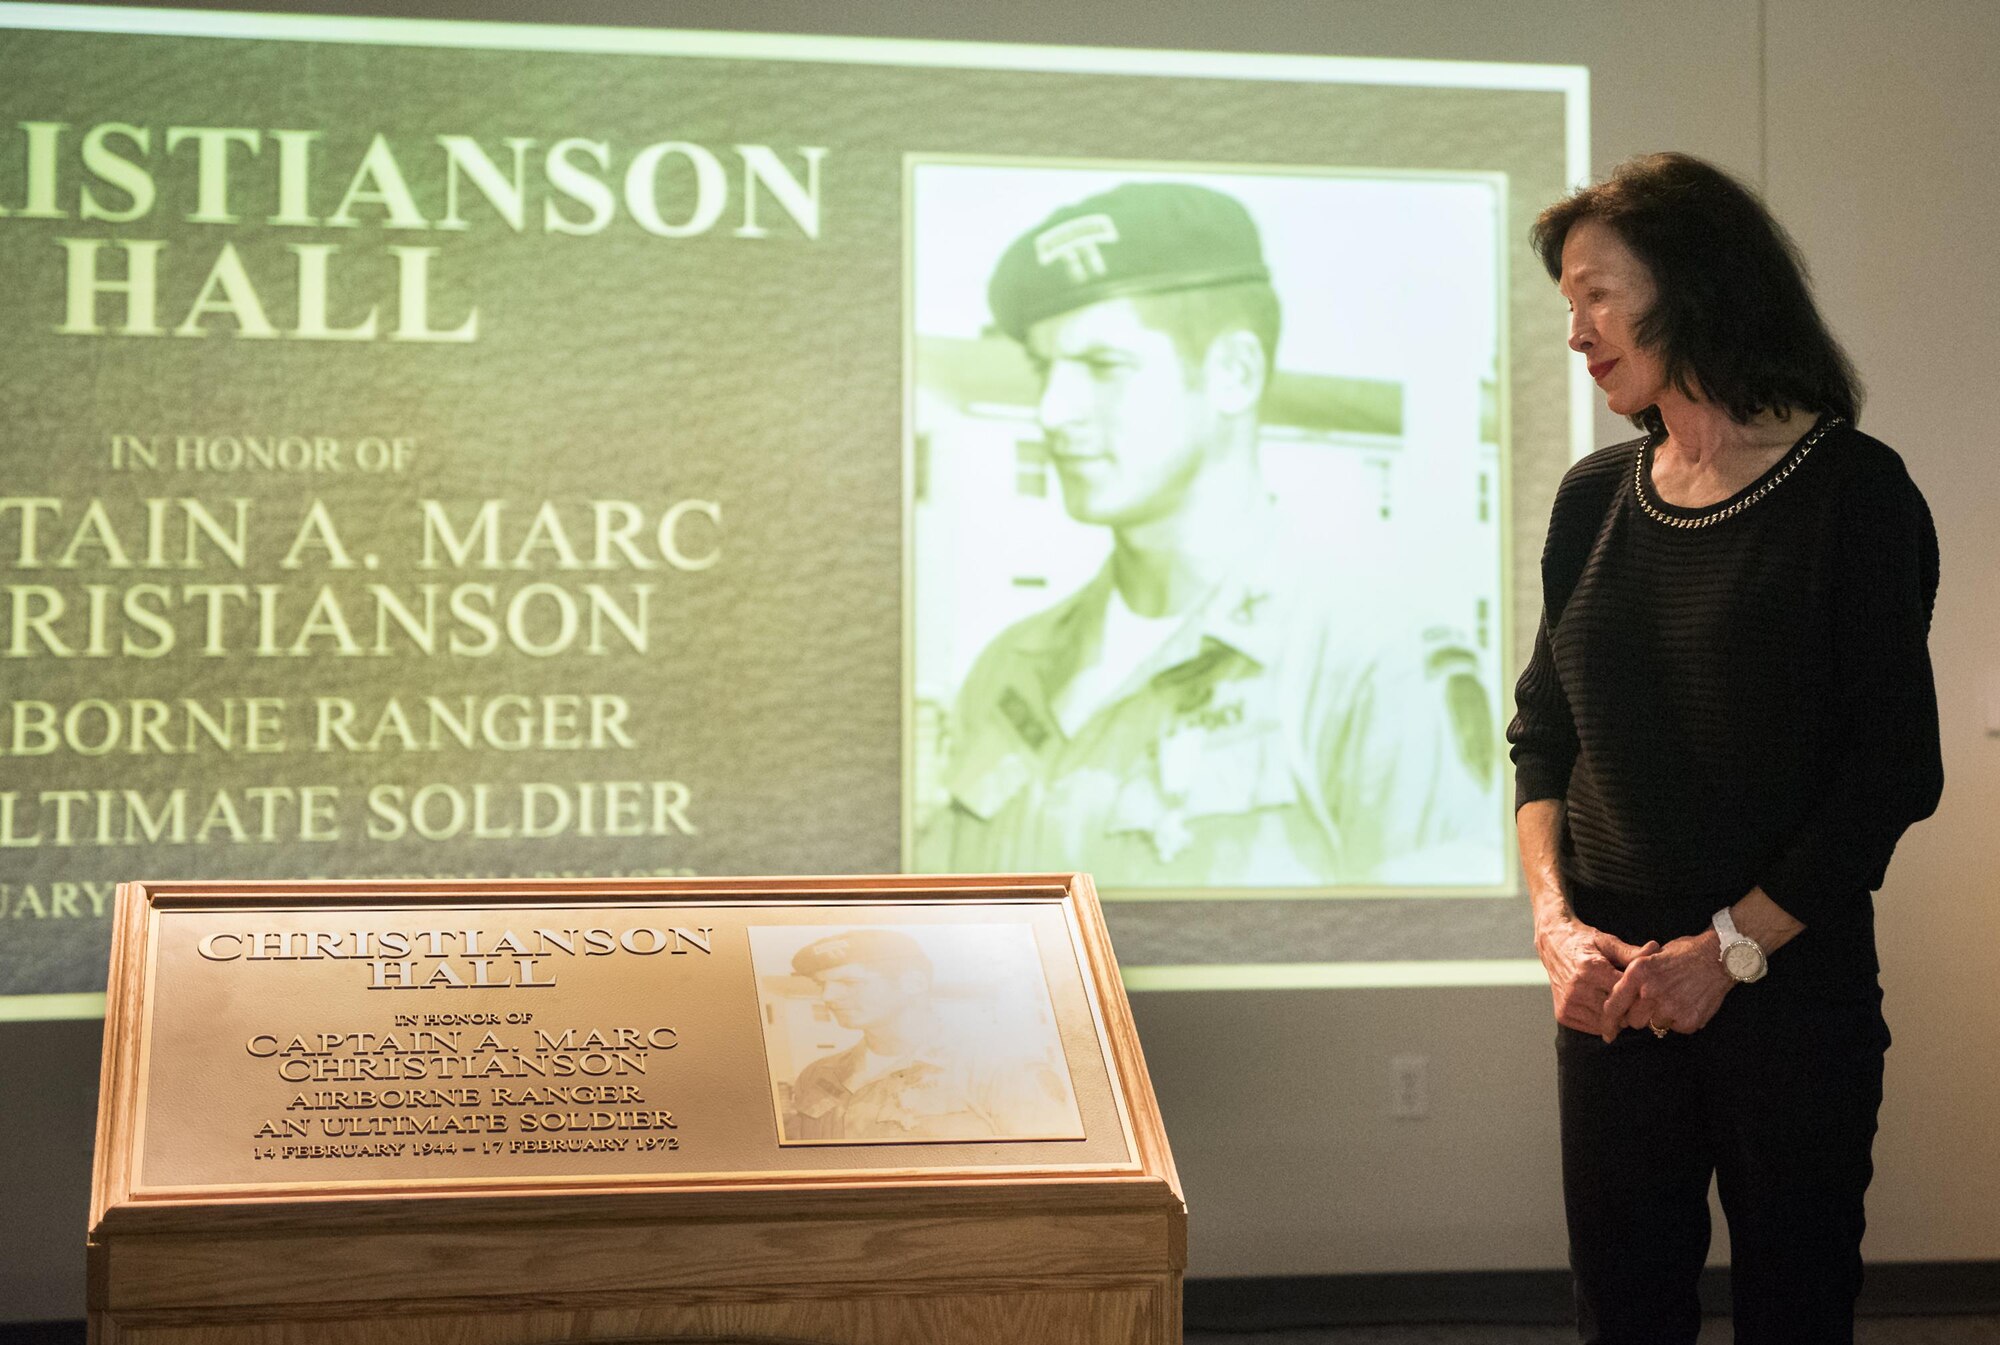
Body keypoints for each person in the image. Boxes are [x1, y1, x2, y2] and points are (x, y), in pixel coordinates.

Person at [1508, 152, 1943, 1343]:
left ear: (1692, 280)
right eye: (1567, 307)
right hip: (1607, 1000)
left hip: (1784, 1003)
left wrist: (1726, 951)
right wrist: (1553, 931)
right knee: (1623, 1316)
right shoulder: (1593, 498)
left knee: (1793, 1313)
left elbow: (1893, 773)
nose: (1576, 333)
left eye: (1595, 294)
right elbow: (1540, 739)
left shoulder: (1851, 494)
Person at [920, 180, 1498, 888]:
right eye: (1045, 369)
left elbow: (1419, 969)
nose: (1053, 411)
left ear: (1232, 373)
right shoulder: (1008, 670)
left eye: (1103, 367)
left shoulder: (1374, 669)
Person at [781, 929, 1078, 1142]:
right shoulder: (819, 1075)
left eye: (849, 981)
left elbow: (1049, 1176)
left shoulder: (999, 1069)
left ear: (914, 983)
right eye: (821, 984)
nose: (828, 996)